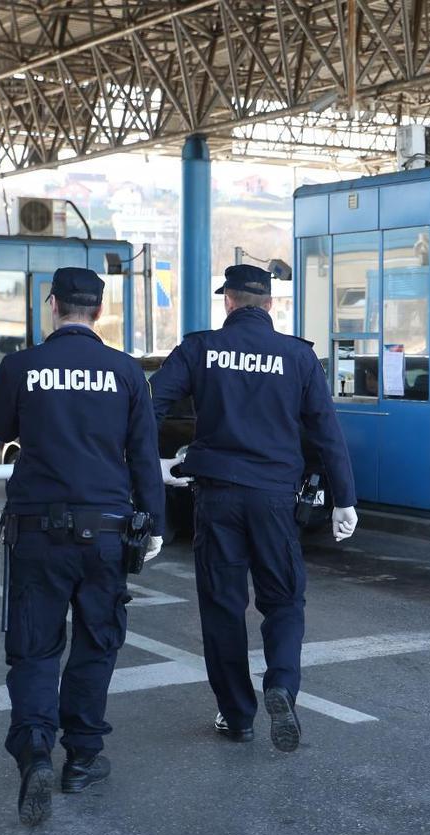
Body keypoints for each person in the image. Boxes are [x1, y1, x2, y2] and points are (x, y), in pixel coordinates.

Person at [150, 264, 357, 752]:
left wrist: (150, 463)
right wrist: (344, 499)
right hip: (273, 499)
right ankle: (281, 685)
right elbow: (327, 432)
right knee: (284, 600)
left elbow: (149, 403)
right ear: (269, 304)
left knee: (222, 606)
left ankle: (237, 715)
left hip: (217, 496)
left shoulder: (199, 348)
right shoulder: (298, 356)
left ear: (229, 301)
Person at [0, 267, 165, 826]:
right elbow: (143, 453)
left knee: (35, 647)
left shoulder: (21, 366)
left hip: (37, 530)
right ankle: (82, 758)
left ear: (54, 305)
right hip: (107, 531)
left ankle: (35, 746)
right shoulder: (127, 372)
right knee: (96, 642)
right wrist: (154, 524)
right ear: (98, 311)